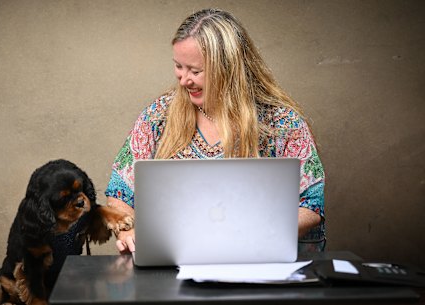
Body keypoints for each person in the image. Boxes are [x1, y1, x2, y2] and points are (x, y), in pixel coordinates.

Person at [105, 8, 325, 254]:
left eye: (195, 71)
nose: (184, 80)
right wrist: (127, 230)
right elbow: (120, 191)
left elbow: (311, 205)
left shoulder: (283, 123)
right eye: (179, 66)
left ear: (228, 69)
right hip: (173, 265)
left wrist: (246, 236)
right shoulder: (157, 117)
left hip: (261, 263)